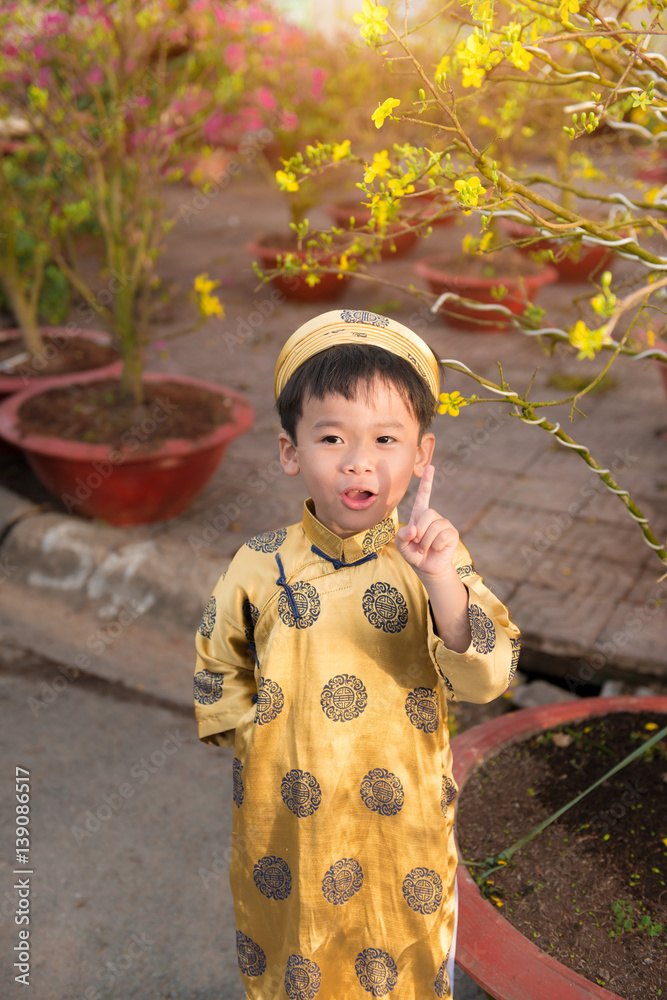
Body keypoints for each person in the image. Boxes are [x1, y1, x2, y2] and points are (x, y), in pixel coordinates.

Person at [194, 308, 520, 1000]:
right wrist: (255, 743)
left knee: (394, 958)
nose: (358, 460)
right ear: (290, 452)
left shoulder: (435, 559)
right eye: (332, 437)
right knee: (292, 955)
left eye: (385, 439)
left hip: (399, 828)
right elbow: (217, 665)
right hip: (284, 822)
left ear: (420, 457)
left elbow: (486, 676)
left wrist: (438, 582)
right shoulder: (256, 565)